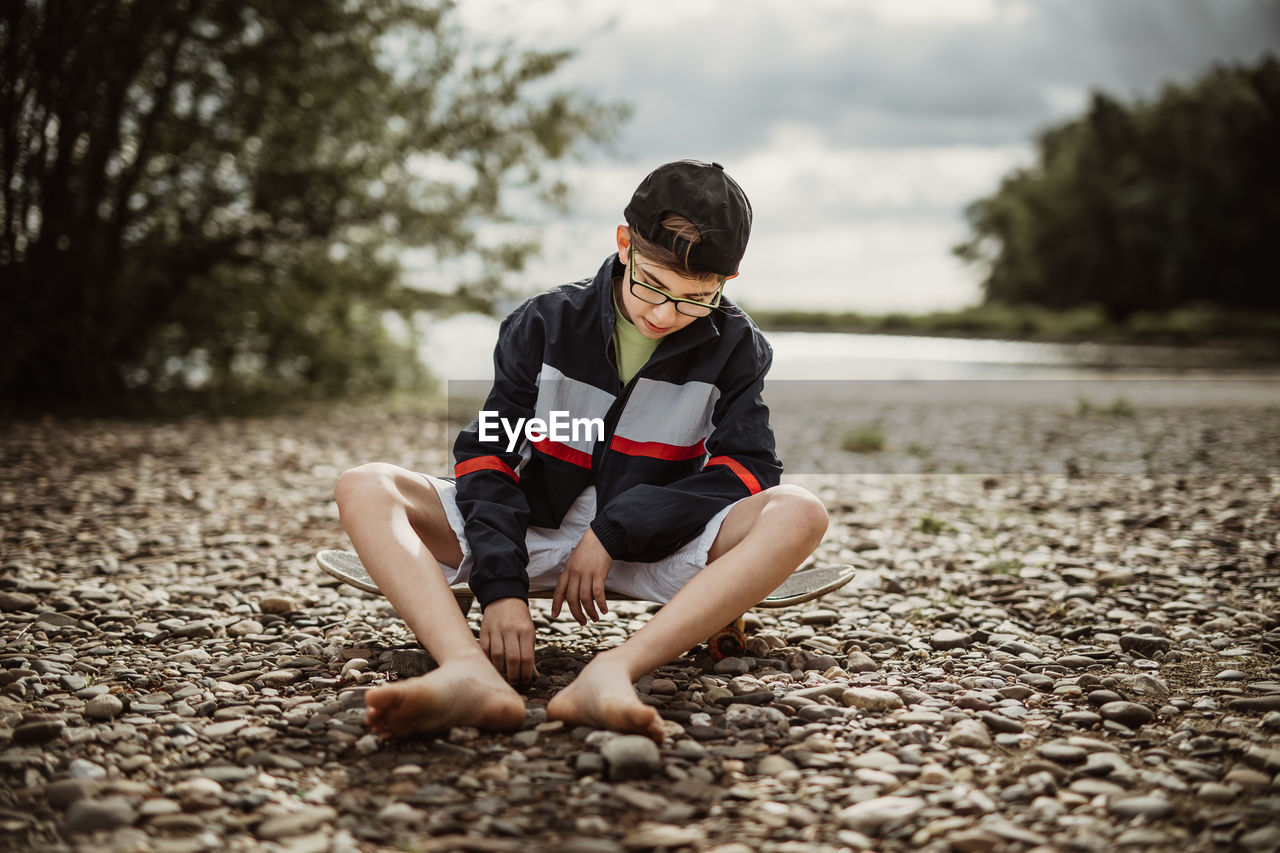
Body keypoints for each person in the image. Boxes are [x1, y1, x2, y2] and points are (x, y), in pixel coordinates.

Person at [334, 160, 828, 743]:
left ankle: (612, 672)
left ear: (727, 281)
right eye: (652, 284)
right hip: (526, 530)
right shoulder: (544, 324)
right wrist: (500, 588)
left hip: (652, 548)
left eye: (696, 298)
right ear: (624, 244)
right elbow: (490, 456)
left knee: (799, 509)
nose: (664, 314)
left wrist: (616, 530)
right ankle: (466, 670)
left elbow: (745, 469)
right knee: (365, 483)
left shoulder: (738, 347)